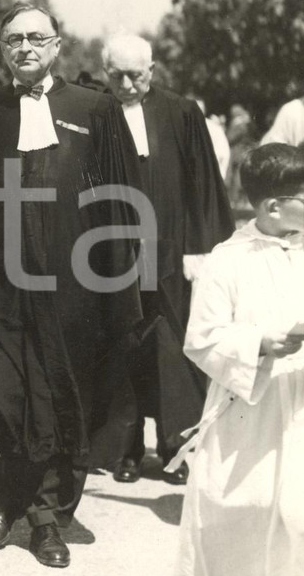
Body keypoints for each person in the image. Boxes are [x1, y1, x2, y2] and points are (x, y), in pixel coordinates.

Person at [0, 4, 143, 568]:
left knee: (61, 395)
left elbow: (124, 199)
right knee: (1, 396)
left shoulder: (94, 109)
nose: (24, 48)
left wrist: (120, 283)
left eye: (35, 38)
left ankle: (48, 518)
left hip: (74, 284)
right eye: (12, 40)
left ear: (56, 45)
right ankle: (2, 502)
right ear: (2, 50)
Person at [169, 142, 304, 576]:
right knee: (240, 515)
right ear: (274, 205)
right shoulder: (227, 259)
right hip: (253, 406)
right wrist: (262, 342)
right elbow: (202, 338)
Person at [100, 34, 234, 486]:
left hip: (174, 253)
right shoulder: (96, 114)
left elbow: (205, 184)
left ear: (152, 72)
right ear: (105, 73)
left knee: (173, 350)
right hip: (111, 253)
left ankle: (175, 447)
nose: (126, 83)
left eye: (135, 74)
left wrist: (203, 249)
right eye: (116, 74)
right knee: (124, 348)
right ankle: (127, 451)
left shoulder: (181, 111)